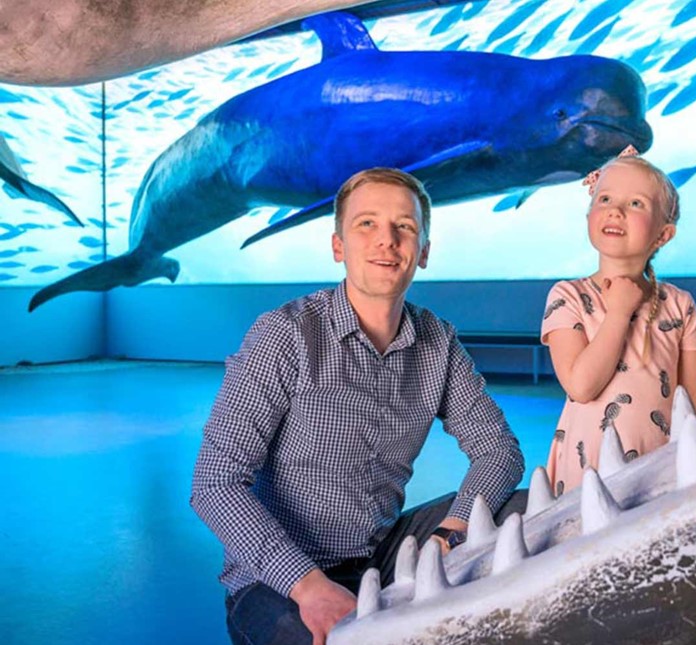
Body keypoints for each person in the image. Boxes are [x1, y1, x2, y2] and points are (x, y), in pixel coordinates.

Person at [191, 167, 525, 645]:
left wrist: (450, 533)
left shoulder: (439, 341)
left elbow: (499, 451)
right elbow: (215, 484)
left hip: (383, 553)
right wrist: (309, 587)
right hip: (280, 580)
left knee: (522, 510)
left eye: (404, 227)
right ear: (338, 246)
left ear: (423, 251)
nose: (386, 240)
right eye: (366, 224)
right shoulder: (283, 336)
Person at [542, 147, 696, 496]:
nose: (615, 210)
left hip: (660, 473)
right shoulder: (567, 296)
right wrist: (618, 312)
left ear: (663, 235)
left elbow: (692, 407)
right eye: (605, 198)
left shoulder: (680, 305)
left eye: (636, 204)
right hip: (585, 475)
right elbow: (581, 386)